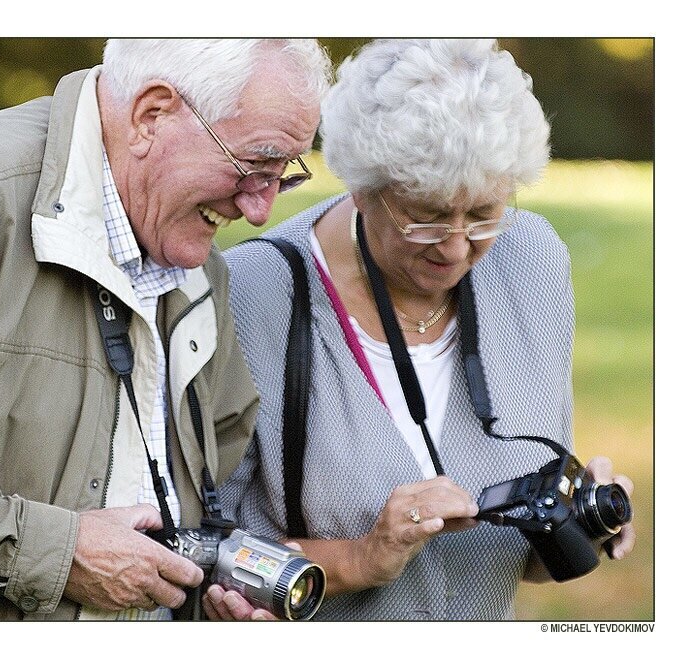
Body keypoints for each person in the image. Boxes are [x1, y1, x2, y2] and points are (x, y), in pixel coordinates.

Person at [0, 38, 331, 621]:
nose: (261, 211)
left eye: (284, 177)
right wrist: (58, 556)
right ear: (152, 114)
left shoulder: (191, 253)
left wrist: (204, 595)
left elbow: (194, 478)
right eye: (254, 166)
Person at [207, 39, 636, 621]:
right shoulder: (255, 292)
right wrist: (361, 558)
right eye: (428, 218)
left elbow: (516, 556)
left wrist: (581, 516)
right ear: (363, 188)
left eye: (484, 213)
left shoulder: (532, 259)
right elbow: (204, 552)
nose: (459, 248)